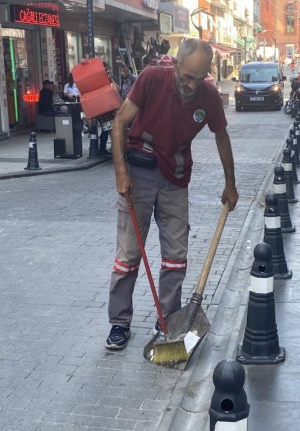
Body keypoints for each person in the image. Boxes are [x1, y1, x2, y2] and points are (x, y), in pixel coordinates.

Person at [104, 38, 238, 350]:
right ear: (176, 65)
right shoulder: (151, 78)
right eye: (186, 76)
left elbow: (222, 136)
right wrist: (121, 173)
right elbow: (120, 122)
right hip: (139, 172)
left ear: (207, 72)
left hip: (176, 177)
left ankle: (167, 320)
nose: (191, 84)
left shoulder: (208, 95)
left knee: (176, 257)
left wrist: (230, 183)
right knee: (128, 255)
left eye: (199, 77)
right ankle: (119, 323)